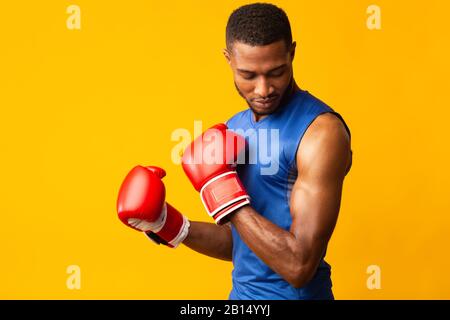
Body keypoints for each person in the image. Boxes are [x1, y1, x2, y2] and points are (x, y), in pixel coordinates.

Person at [117, 3, 352, 300]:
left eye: (276, 72)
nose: (263, 89)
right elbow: (243, 243)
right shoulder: (234, 129)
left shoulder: (321, 134)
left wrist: (222, 193)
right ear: (229, 60)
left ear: (292, 53)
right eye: (248, 75)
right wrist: (168, 224)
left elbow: (299, 265)